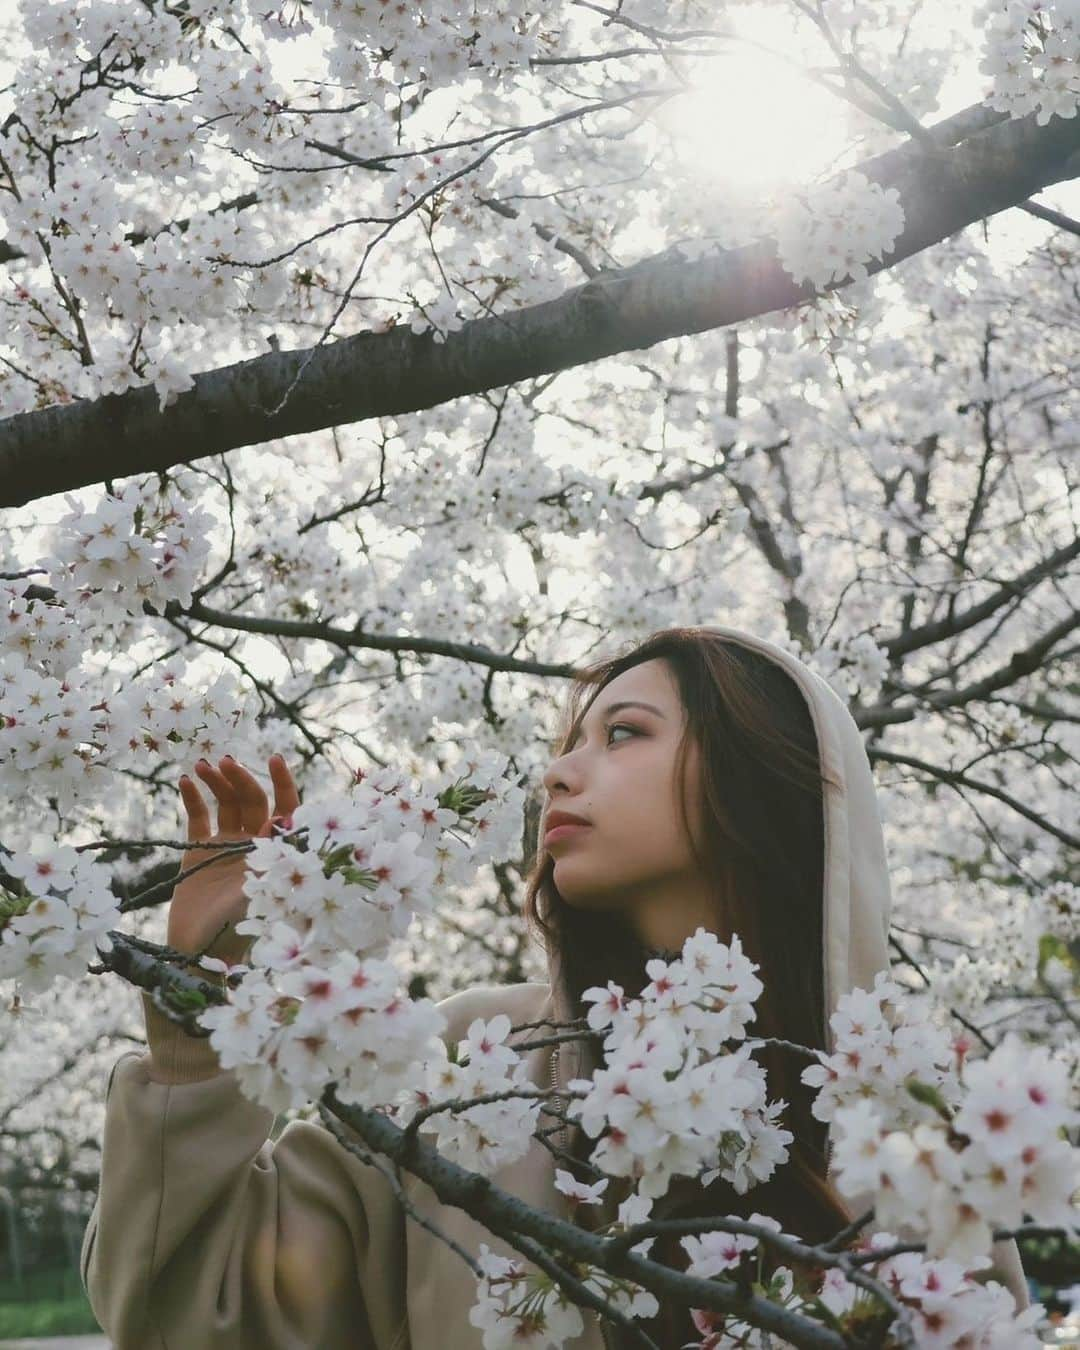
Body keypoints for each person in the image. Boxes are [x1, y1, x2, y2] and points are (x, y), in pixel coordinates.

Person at [80, 624, 1029, 1349]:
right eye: (570, 740)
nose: (560, 772)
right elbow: (193, 1317)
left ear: (755, 784)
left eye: (624, 734)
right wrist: (199, 1009)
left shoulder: (911, 1132)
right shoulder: (458, 1066)